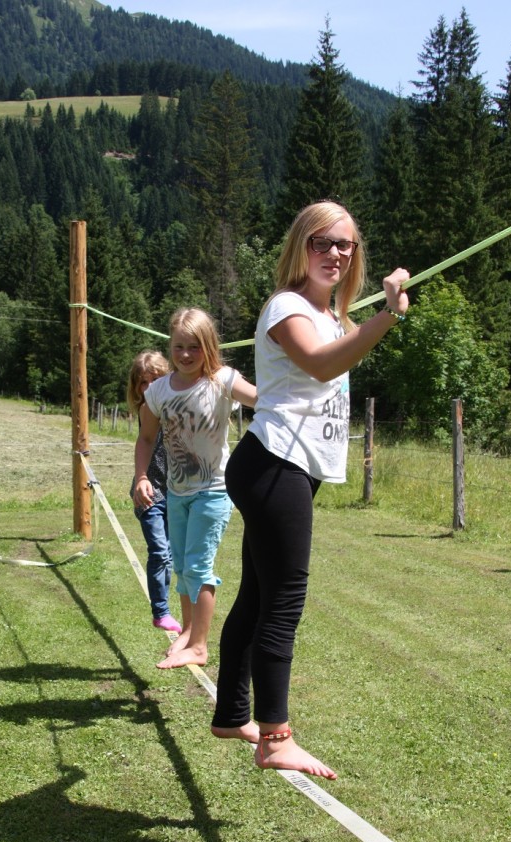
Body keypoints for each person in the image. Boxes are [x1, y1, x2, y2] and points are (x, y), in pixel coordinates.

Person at [210, 200, 410, 778]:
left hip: (289, 468)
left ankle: (232, 712)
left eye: (345, 245)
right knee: (284, 600)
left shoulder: (334, 318)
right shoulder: (286, 306)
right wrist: (389, 316)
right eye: (322, 242)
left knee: (258, 594)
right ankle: (276, 736)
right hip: (276, 464)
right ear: (301, 246)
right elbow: (320, 366)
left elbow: (336, 346)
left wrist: (366, 317)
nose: (335, 253)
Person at [134, 308, 257, 670]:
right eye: (178, 347)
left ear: (209, 346)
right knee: (182, 569)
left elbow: (263, 401)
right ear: (170, 346)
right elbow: (144, 438)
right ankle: (188, 632)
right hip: (176, 492)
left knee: (199, 567)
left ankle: (200, 647)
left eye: (194, 347)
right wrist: (142, 476)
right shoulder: (158, 390)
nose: (186, 355)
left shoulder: (222, 380)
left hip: (214, 491)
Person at [127, 350, 182, 636]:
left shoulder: (174, 407)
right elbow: (146, 442)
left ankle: (166, 607)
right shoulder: (146, 409)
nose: (147, 388)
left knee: (170, 555)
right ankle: (160, 612)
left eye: (154, 380)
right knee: (159, 550)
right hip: (148, 490)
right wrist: (140, 478)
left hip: (176, 490)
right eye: (142, 382)